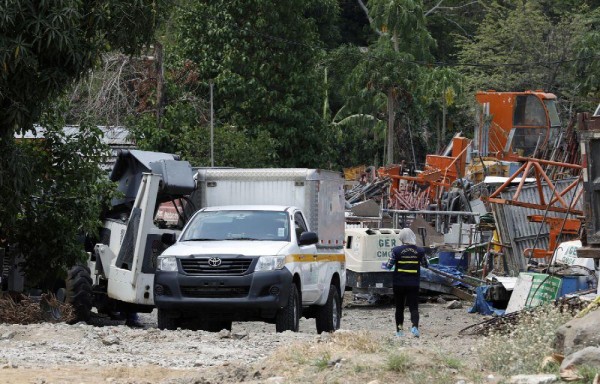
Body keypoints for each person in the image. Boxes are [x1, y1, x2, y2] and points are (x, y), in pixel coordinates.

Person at [384, 228, 428, 338]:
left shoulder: (396, 250)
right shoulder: (420, 251)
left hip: (399, 284)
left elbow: (389, 266)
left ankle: (399, 331)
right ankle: (415, 328)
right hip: (413, 284)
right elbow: (426, 265)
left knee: (399, 308)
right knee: (414, 307)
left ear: (402, 238)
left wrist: (385, 265)